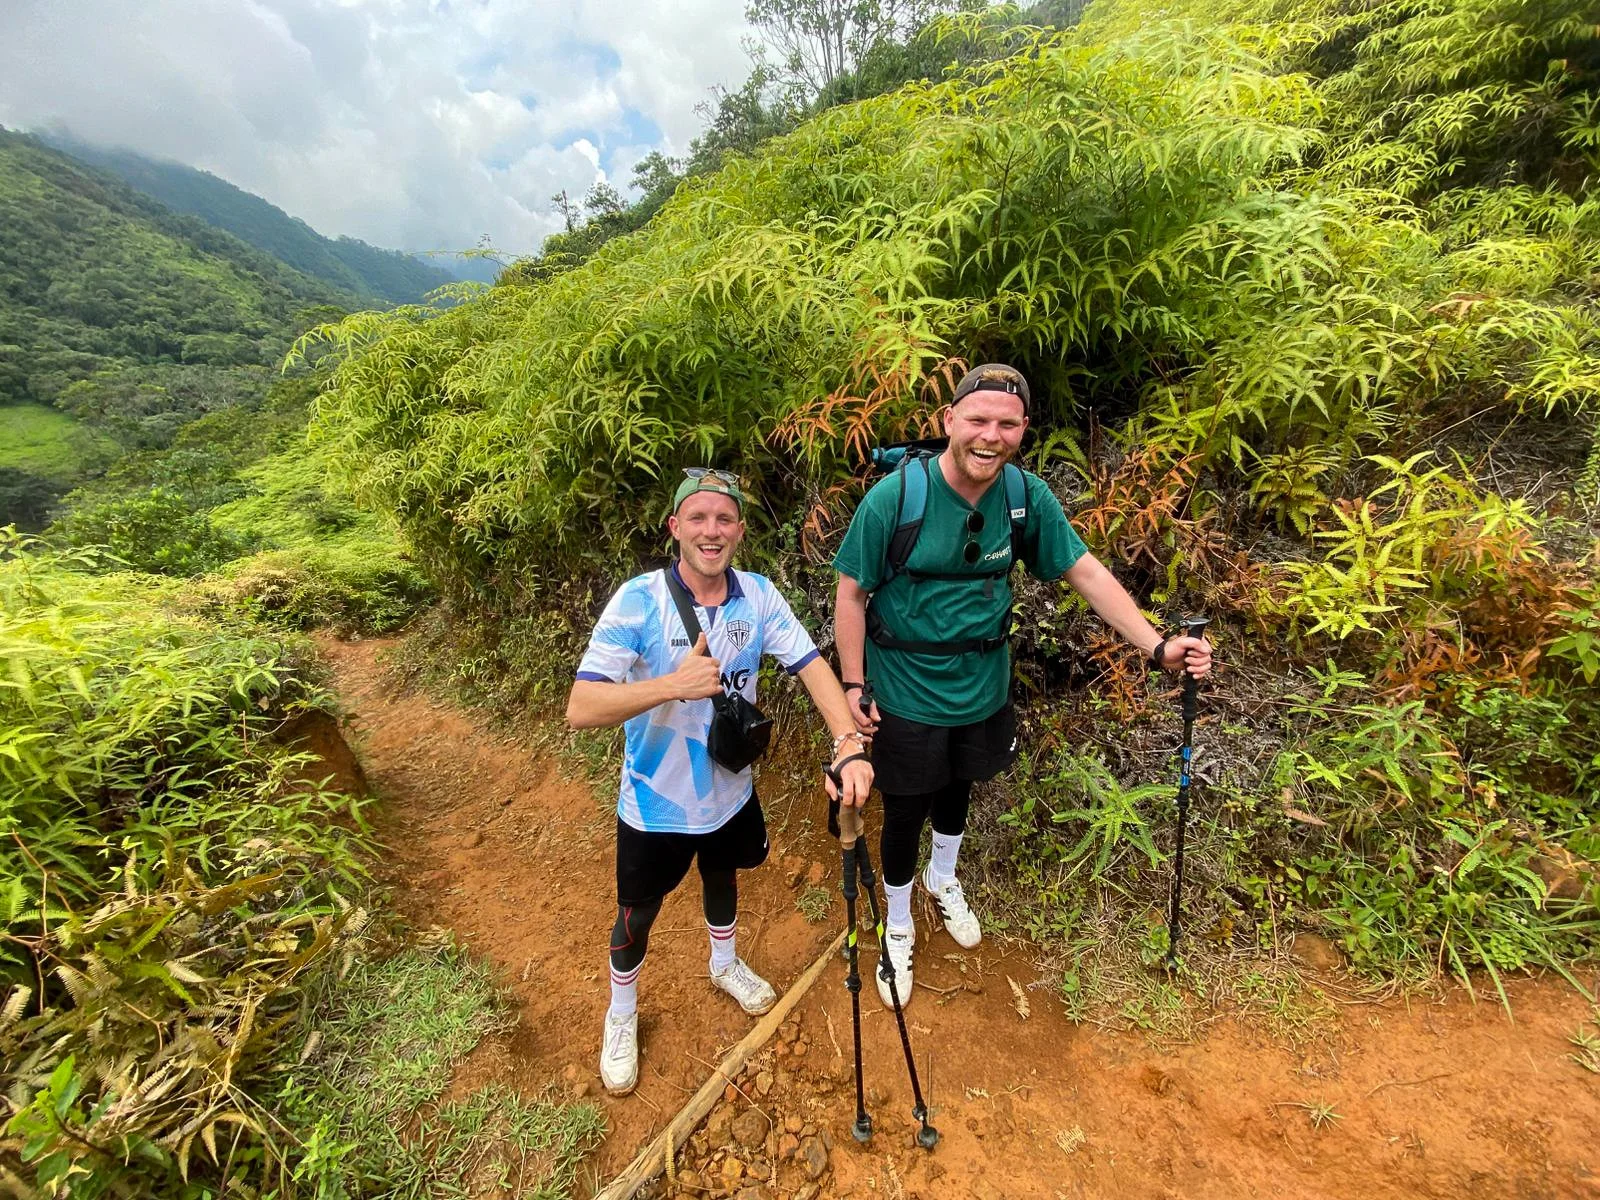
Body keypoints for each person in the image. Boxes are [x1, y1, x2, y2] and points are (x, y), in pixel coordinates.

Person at [833, 363, 1213, 1006]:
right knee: (904, 806)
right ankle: (895, 924)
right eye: (977, 420)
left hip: (982, 686)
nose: (991, 435)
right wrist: (852, 686)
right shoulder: (896, 498)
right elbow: (851, 594)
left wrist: (1156, 645)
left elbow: (1084, 572)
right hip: (903, 686)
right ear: (949, 421)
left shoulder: (1025, 497)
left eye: (1007, 424)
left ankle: (942, 879)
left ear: (1024, 431)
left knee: (959, 788)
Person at [568, 467, 874, 1096]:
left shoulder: (758, 596)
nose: (712, 530)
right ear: (676, 527)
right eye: (699, 518)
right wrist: (670, 686)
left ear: (739, 530)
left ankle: (725, 963)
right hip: (654, 804)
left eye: (725, 519)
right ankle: (621, 1013)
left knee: (723, 874)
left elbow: (812, 667)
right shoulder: (638, 600)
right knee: (638, 912)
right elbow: (581, 707)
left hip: (730, 789)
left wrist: (846, 743)